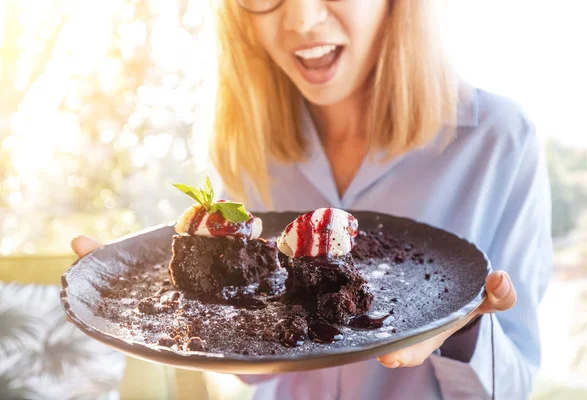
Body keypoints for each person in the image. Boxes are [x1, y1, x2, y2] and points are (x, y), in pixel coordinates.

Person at [72, 0, 552, 398]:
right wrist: (189, 298)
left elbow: (511, 384)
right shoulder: (247, 146)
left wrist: (461, 325)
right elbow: (251, 368)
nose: (300, 19)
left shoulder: (499, 141)